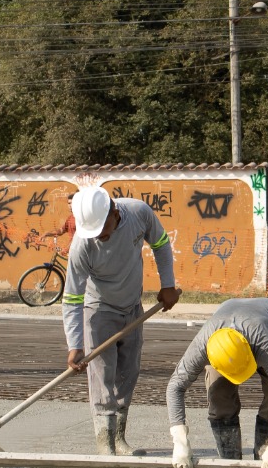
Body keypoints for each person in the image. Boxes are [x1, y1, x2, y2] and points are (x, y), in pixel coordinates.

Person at [62, 185, 181, 454]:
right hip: (99, 310)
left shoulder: (138, 213)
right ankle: (105, 443)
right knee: (102, 374)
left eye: (102, 230)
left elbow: (161, 243)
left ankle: (119, 439)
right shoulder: (82, 245)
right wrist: (75, 344)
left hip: (132, 307)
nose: (99, 237)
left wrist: (168, 284)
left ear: (114, 212)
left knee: (128, 372)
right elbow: (72, 298)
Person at [167, 297, 268, 468]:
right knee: (218, 394)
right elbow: (175, 386)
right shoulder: (204, 344)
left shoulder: (265, 345)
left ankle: (264, 456)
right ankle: (230, 464)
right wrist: (180, 442)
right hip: (226, 328)